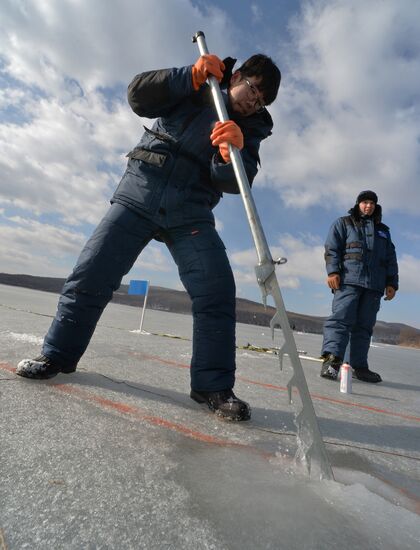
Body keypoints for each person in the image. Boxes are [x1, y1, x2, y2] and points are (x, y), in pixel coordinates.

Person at [16, 52, 281, 421]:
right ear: (236, 76)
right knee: (92, 273)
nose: (254, 101)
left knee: (216, 291)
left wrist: (230, 152)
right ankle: (57, 356)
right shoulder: (199, 86)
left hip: (191, 209)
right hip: (142, 188)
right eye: (253, 89)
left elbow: (236, 181)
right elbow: (138, 97)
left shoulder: (249, 130)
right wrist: (187, 76)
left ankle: (212, 386)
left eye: (262, 100)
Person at [320, 190, 399, 383]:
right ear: (358, 204)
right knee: (340, 320)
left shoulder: (384, 231)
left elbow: (390, 258)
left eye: (372, 203)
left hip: (374, 286)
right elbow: (332, 248)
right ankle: (332, 360)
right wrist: (332, 272)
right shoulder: (344, 223)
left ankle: (359, 366)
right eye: (365, 202)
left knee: (364, 327)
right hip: (349, 281)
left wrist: (391, 283)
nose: (368, 206)